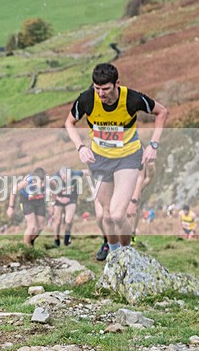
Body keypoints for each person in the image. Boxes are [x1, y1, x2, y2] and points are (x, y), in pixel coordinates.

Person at [65, 63, 168, 258]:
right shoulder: (87, 99)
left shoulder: (131, 98)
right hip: (100, 159)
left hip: (127, 157)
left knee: (118, 215)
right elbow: (69, 122)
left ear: (116, 84)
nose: (101, 94)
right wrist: (80, 147)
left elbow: (162, 112)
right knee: (106, 215)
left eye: (105, 89)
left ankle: (128, 256)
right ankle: (113, 257)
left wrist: (153, 145)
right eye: (97, 88)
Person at [9, 168, 47, 247]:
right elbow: (13, 190)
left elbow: (55, 189)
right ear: (34, 180)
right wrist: (10, 207)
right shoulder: (26, 182)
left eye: (43, 182)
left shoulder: (47, 181)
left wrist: (52, 204)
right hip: (27, 201)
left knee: (40, 227)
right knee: (31, 226)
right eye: (41, 182)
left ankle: (30, 241)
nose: (43, 185)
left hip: (39, 200)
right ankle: (26, 247)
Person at [50, 167, 83, 247]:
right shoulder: (54, 179)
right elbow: (50, 194)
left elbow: (85, 171)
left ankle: (67, 237)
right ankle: (56, 239)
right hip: (58, 199)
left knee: (68, 220)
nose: (66, 180)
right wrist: (59, 199)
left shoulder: (75, 174)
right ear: (61, 175)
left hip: (71, 199)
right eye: (64, 178)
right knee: (57, 221)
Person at [128, 161, 155, 243]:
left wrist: (150, 167)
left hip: (137, 189)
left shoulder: (141, 184)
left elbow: (149, 177)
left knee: (135, 210)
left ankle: (133, 238)